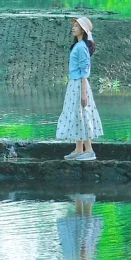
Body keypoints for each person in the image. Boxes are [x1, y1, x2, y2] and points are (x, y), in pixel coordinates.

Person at [56, 15, 103, 162]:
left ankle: (89, 150)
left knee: (82, 114)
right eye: (74, 25)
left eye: (76, 26)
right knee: (77, 115)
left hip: (79, 85)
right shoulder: (78, 45)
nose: (73, 27)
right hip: (74, 84)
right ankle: (79, 149)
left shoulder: (82, 47)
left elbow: (85, 71)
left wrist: (83, 94)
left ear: (82, 30)